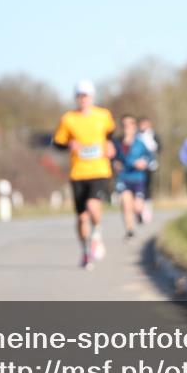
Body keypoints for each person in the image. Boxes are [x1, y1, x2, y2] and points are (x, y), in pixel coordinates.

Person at [53, 80, 117, 270]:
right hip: (78, 172)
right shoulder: (68, 119)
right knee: (81, 218)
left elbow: (111, 134)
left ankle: (97, 233)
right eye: (80, 96)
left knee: (93, 205)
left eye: (86, 96)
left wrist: (110, 145)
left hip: (99, 170)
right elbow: (57, 142)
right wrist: (69, 145)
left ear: (92, 97)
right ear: (76, 98)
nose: (83, 99)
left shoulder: (103, 115)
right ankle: (85, 252)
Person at [112, 114, 152, 239]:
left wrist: (144, 163)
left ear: (134, 127)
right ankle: (130, 229)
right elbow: (111, 157)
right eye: (124, 125)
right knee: (125, 203)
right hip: (123, 177)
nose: (126, 128)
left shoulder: (140, 143)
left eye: (129, 125)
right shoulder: (117, 143)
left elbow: (150, 157)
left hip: (138, 177)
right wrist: (114, 163)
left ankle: (139, 213)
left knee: (137, 206)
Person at [138, 117, 160, 223]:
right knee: (139, 188)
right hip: (137, 166)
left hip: (150, 166)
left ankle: (147, 210)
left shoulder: (153, 134)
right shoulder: (136, 135)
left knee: (147, 188)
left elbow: (160, 147)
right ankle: (139, 209)